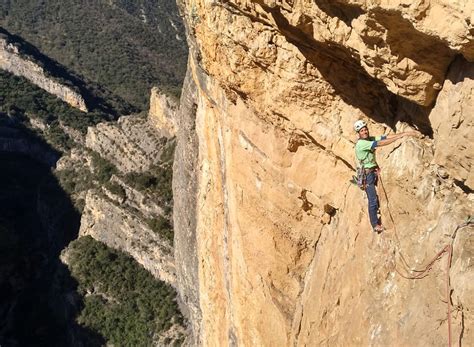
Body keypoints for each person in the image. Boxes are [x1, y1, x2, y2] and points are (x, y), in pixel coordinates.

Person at [353, 120, 418, 233]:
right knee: (372, 200)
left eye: (365, 129)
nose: (365, 132)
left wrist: (403, 134)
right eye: (362, 131)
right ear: (358, 133)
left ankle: (378, 211)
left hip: (372, 171)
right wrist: (399, 137)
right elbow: (380, 143)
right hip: (367, 176)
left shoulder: (369, 139)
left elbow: (384, 137)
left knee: (376, 197)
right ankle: (375, 224)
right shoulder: (362, 143)